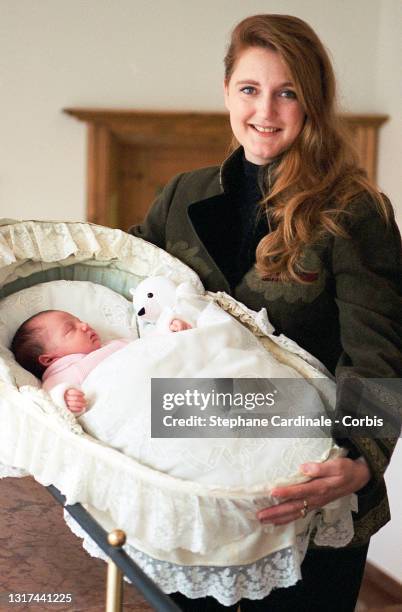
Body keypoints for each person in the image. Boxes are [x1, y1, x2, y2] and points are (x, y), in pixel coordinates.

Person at [129, 13, 402, 612]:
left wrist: (359, 458)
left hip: (307, 484)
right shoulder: (181, 195)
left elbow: (380, 352)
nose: (266, 111)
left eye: (288, 93)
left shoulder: (354, 211)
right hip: (196, 485)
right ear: (227, 91)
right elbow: (127, 288)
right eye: (250, 89)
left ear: (313, 104)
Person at [11, 309, 191, 413]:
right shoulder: (60, 375)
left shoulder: (114, 345)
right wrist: (63, 399)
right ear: (49, 359)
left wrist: (167, 331)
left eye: (79, 321)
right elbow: (46, 406)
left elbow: (145, 347)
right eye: (70, 329)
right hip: (130, 404)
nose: (84, 325)